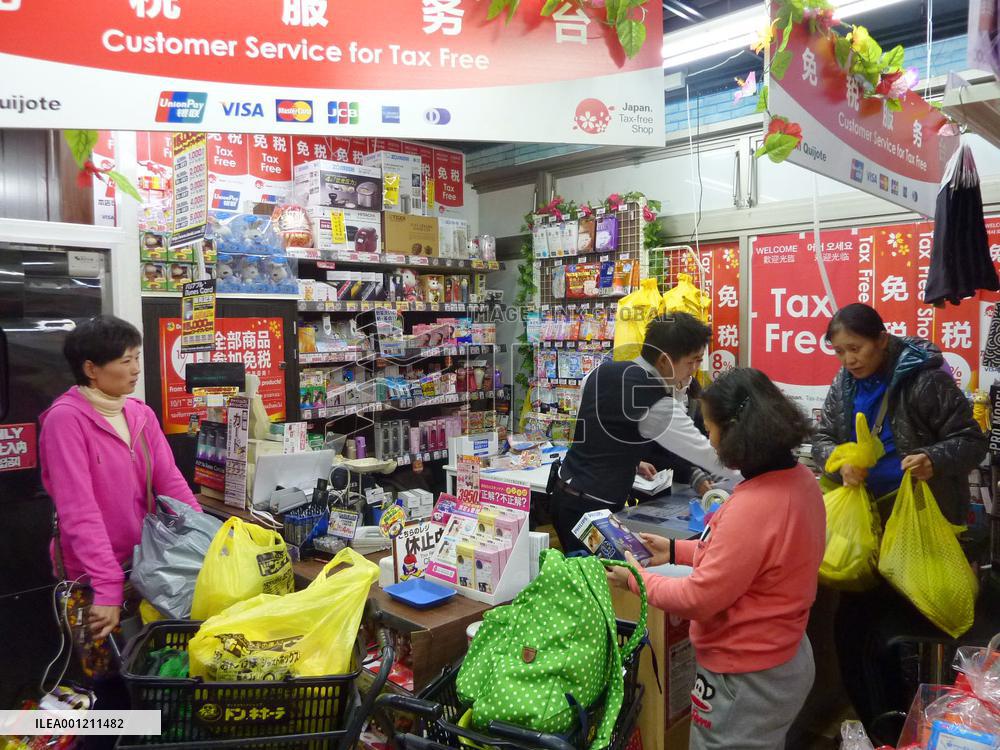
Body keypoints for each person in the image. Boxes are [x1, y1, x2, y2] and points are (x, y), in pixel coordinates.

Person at [606, 368, 824, 750]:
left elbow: (700, 597)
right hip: (785, 655)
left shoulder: (754, 505)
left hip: (745, 675)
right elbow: (751, 560)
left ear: (737, 431)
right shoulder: (799, 481)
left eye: (709, 428)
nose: (709, 438)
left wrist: (637, 581)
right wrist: (674, 551)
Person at [812, 303, 987, 729]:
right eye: (839, 352)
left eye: (856, 348)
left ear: (882, 341)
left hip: (920, 529)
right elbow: (820, 438)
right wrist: (837, 461)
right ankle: (879, 724)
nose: (849, 360)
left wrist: (932, 458)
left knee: (905, 631)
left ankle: (916, 722)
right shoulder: (844, 386)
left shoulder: (925, 381)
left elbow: (971, 441)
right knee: (853, 631)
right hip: (866, 530)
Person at [39, 316, 201, 668]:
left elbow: (171, 483)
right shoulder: (65, 420)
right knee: (107, 678)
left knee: (150, 669)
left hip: (144, 563)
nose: (136, 369)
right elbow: (78, 510)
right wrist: (108, 586)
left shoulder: (139, 414)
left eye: (137, 358)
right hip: (92, 578)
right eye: (125, 360)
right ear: (91, 369)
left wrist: (208, 540)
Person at [551, 312, 739, 553]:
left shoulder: (601, 372)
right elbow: (702, 452)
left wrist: (631, 458)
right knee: (601, 582)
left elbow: (600, 430)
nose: (693, 371)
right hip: (592, 512)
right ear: (664, 361)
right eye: (692, 361)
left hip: (563, 497)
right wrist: (751, 476)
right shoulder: (654, 400)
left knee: (581, 577)